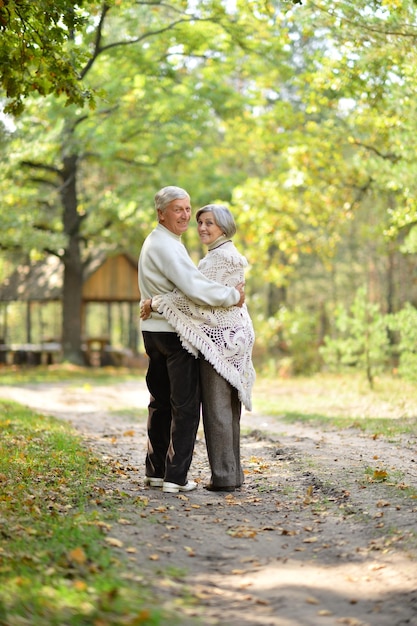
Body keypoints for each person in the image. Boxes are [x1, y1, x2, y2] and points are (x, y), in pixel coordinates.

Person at [138, 187, 245, 494]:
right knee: (184, 406)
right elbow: (194, 288)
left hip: (153, 332)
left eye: (188, 209)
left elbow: (178, 288)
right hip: (174, 335)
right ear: (161, 213)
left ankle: (155, 472)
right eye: (178, 209)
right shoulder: (168, 246)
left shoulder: (155, 241)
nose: (186, 215)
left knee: (160, 404)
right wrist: (233, 295)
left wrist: (153, 302)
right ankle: (175, 478)